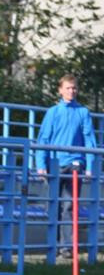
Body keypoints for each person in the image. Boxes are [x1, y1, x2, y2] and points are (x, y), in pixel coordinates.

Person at [35, 74, 98, 258]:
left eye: (74, 88)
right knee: (52, 205)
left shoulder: (83, 112)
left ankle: (67, 247)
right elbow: (43, 139)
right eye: (68, 88)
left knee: (69, 206)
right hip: (54, 164)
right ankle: (52, 245)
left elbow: (89, 140)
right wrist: (41, 165)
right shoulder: (53, 112)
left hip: (75, 164)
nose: (71, 91)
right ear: (60, 90)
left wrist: (89, 165)